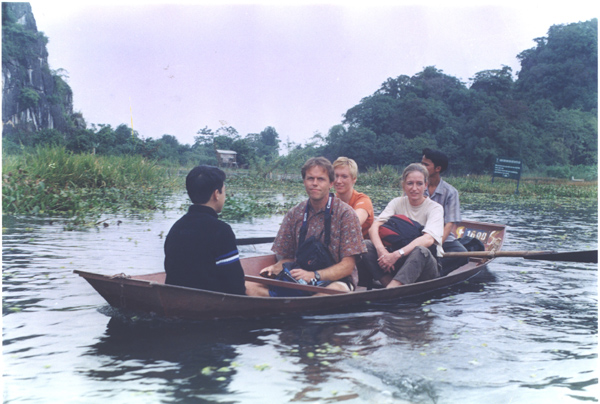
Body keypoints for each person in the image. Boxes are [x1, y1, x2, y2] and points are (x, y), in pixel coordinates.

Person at [245, 157, 366, 296]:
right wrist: (276, 267)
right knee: (248, 286)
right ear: (304, 182)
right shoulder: (294, 213)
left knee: (333, 292)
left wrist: (314, 275)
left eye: (321, 179)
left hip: (337, 280)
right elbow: (286, 256)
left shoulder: (346, 214)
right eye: (310, 179)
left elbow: (347, 266)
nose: (315, 183)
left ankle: (288, 304)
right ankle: (292, 304)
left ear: (330, 183)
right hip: (298, 277)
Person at [164, 165, 245, 295]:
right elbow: (236, 285)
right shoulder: (221, 230)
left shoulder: (176, 227)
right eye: (224, 191)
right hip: (212, 301)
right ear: (216, 194)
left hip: (176, 298)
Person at [362, 163, 443, 287]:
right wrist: (381, 251)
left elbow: (428, 239)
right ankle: (389, 284)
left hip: (425, 265)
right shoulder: (396, 203)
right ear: (404, 185)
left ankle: (391, 290)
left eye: (419, 184)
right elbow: (374, 227)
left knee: (420, 250)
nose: (414, 188)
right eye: (410, 183)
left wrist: (396, 254)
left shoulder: (435, 208)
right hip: (397, 263)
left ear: (425, 185)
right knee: (366, 245)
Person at [420, 148, 468, 274]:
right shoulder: (415, 186)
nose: (421, 167)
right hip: (418, 234)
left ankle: (435, 273)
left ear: (438, 169)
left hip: (442, 238)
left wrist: (437, 246)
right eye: (421, 163)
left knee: (462, 255)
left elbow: (449, 224)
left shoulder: (450, 192)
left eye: (426, 164)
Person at [332, 157, 374, 239]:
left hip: (360, 244)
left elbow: (353, 223)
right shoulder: (331, 200)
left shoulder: (363, 200)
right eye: (336, 176)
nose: (338, 181)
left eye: (344, 177)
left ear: (354, 179)